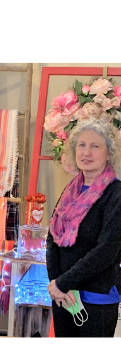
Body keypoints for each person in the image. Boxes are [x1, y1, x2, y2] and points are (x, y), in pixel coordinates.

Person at [47, 117, 121, 338]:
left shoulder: (116, 194)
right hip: (65, 297)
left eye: (95, 146)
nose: (86, 152)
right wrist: (57, 286)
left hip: (97, 298)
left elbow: (106, 251)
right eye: (81, 145)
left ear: (108, 154)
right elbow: (53, 238)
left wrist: (62, 282)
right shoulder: (71, 189)